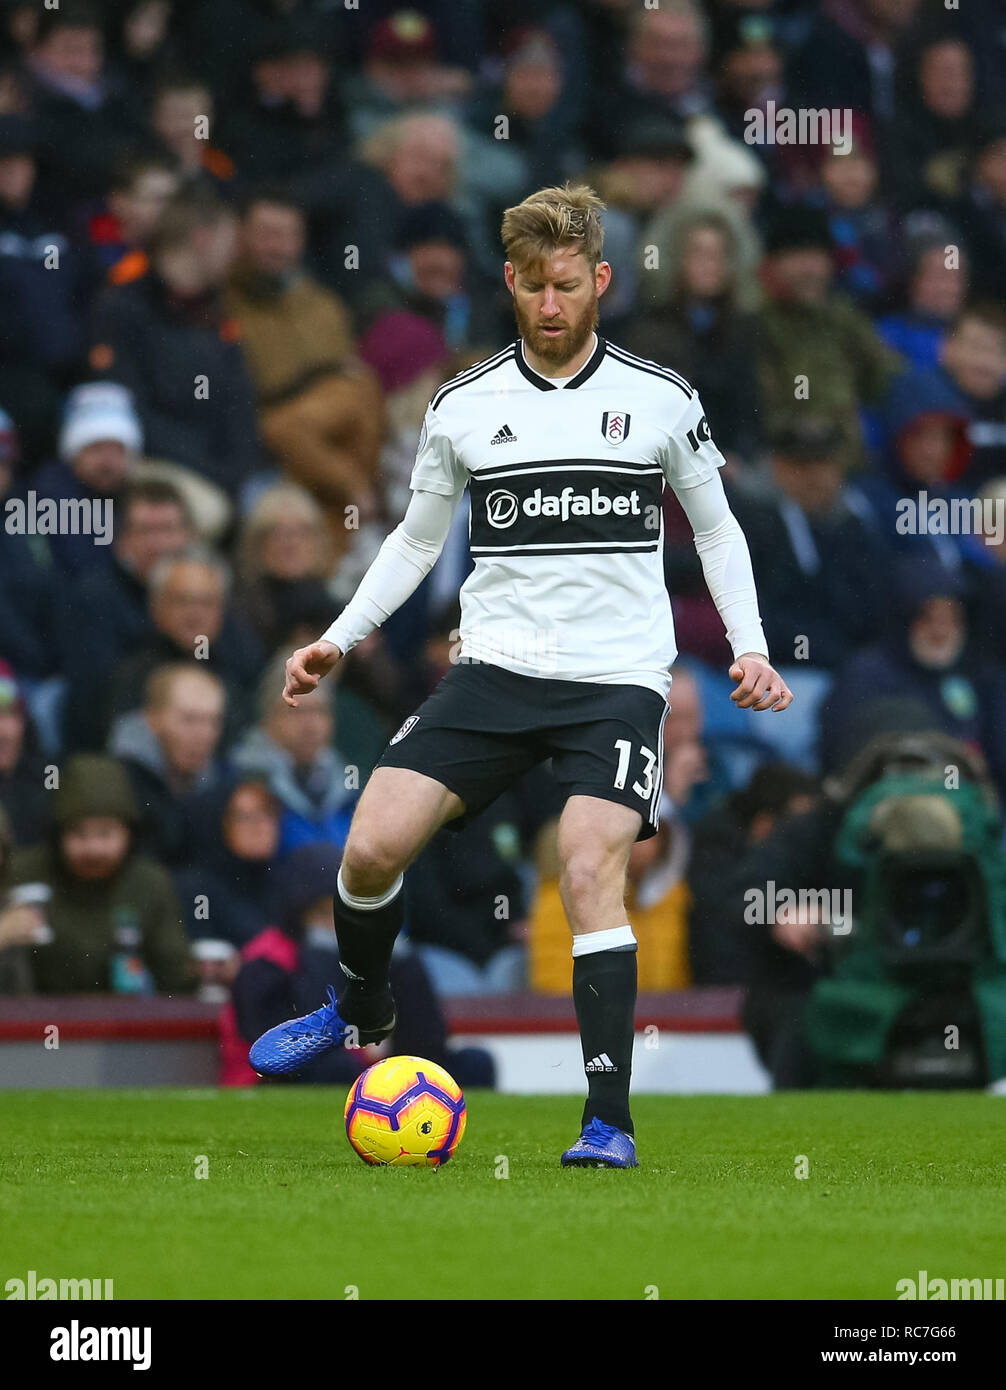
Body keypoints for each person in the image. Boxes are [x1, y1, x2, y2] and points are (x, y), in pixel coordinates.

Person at [248, 183, 793, 1168]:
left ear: (601, 282)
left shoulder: (659, 398)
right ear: (509, 283)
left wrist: (749, 647)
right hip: (492, 673)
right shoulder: (463, 405)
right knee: (369, 847)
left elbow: (716, 527)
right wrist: (341, 635)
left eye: (568, 285)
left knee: (588, 867)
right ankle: (360, 1002)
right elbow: (415, 542)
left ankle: (606, 1119)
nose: (551, 303)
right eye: (534, 286)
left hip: (616, 682)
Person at [2, 754, 191, 994]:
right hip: (29, 1024)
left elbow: (176, 977)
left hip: (125, 1025)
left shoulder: (151, 883)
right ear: (59, 835)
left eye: (105, 834)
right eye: (80, 834)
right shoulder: (21, 873)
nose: (93, 848)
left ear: (128, 834)